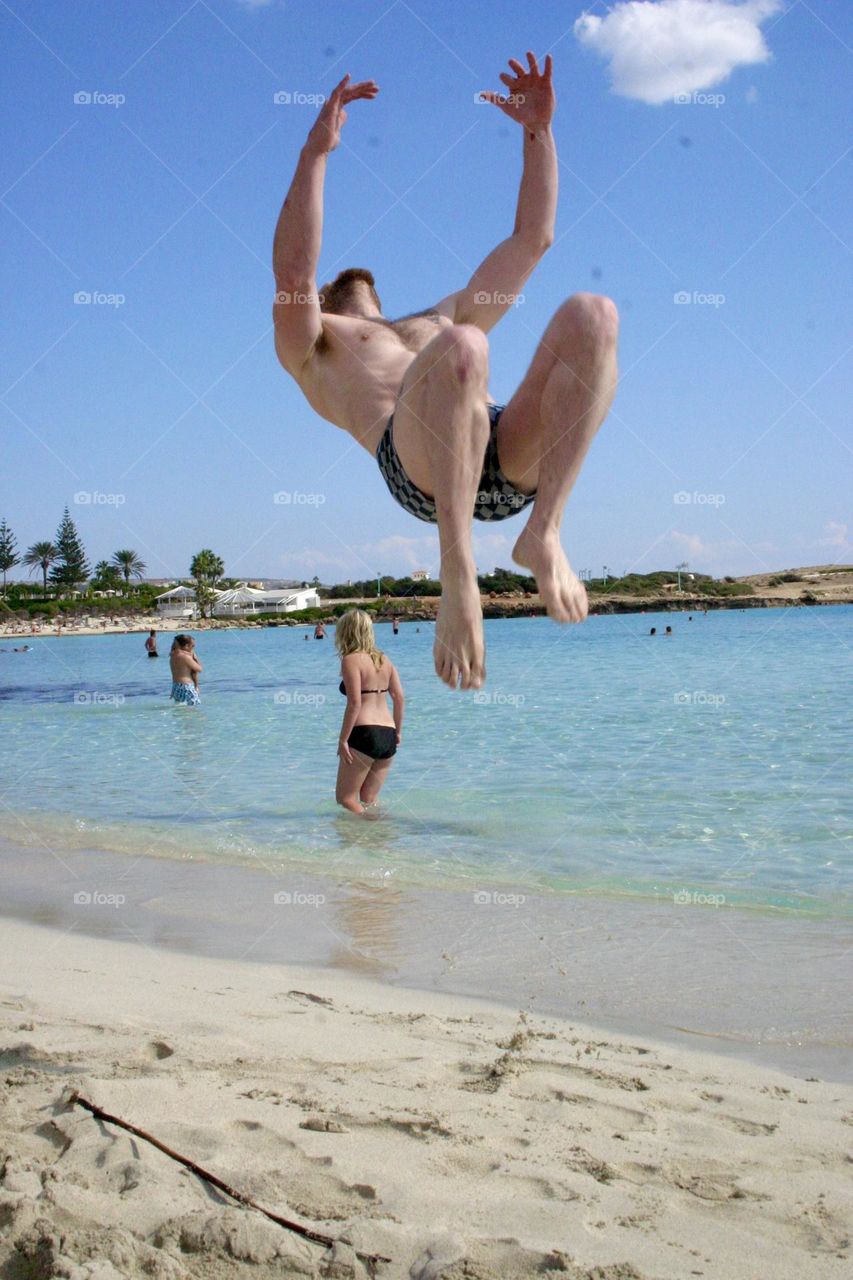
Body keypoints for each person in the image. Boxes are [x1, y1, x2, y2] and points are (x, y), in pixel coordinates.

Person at [272, 53, 618, 692]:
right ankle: (458, 576)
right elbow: (293, 273)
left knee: (592, 316)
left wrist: (538, 132)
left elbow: (532, 238)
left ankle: (544, 533)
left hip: (499, 452)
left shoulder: (438, 315)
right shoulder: (317, 342)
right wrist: (315, 153)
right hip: (418, 470)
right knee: (464, 347)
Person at [335, 609, 404, 815]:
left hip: (364, 733)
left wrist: (343, 740)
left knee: (346, 799)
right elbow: (399, 698)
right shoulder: (385, 660)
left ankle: (372, 830)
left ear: (346, 632)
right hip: (388, 734)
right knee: (368, 799)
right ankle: (378, 837)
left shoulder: (350, 660)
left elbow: (355, 703)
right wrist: (398, 732)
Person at [169, 634, 202, 706]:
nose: (193, 649)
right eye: (192, 646)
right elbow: (199, 669)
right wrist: (196, 658)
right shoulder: (185, 657)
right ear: (186, 646)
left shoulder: (172, 655)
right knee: (196, 709)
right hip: (186, 686)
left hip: (176, 687)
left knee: (181, 712)